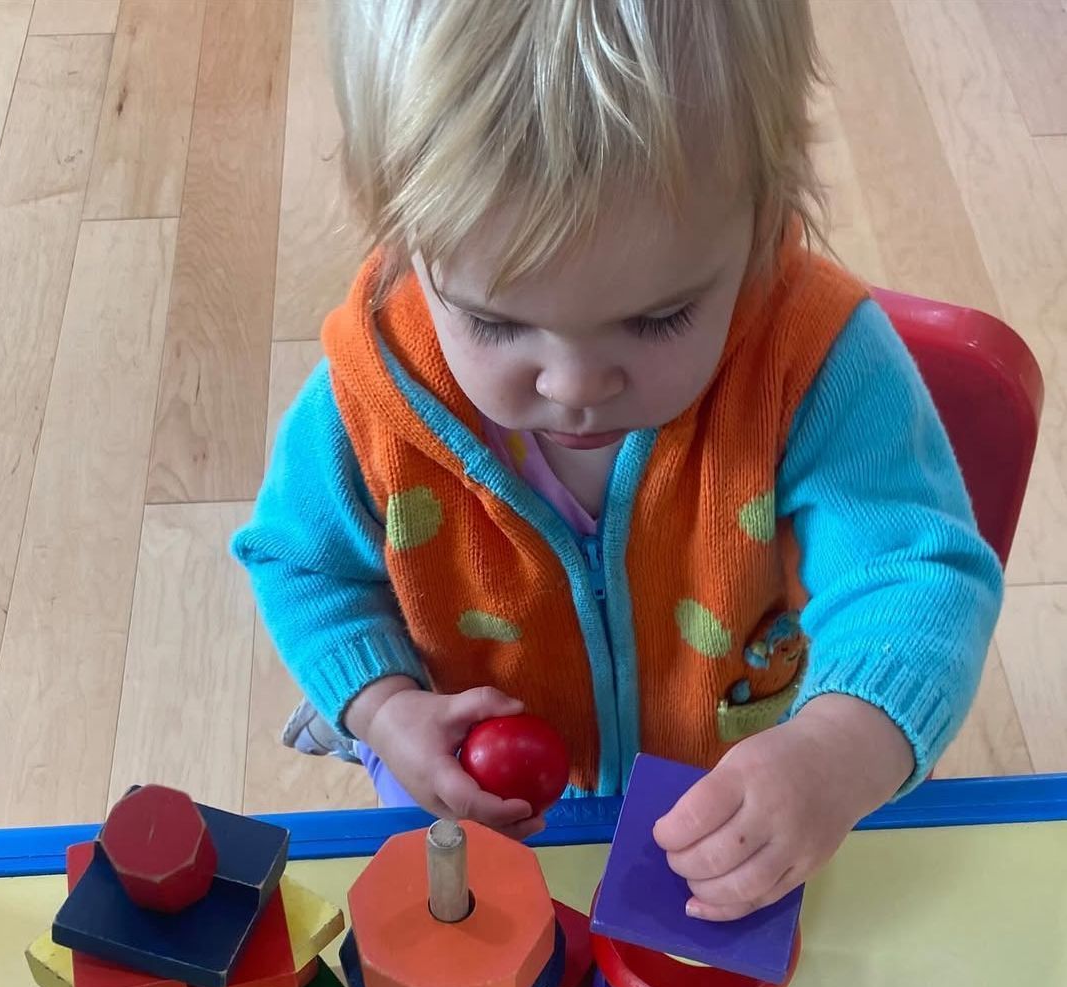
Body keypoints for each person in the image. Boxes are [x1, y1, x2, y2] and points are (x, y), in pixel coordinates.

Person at [232, 0, 1002, 921]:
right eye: (495, 321)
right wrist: (382, 707)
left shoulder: (813, 363)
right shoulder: (375, 401)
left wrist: (838, 752)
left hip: (732, 803)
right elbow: (300, 562)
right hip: (471, 806)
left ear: (765, 223)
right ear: (399, 239)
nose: (574, 384)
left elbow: (915, 574)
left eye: (658, 316)